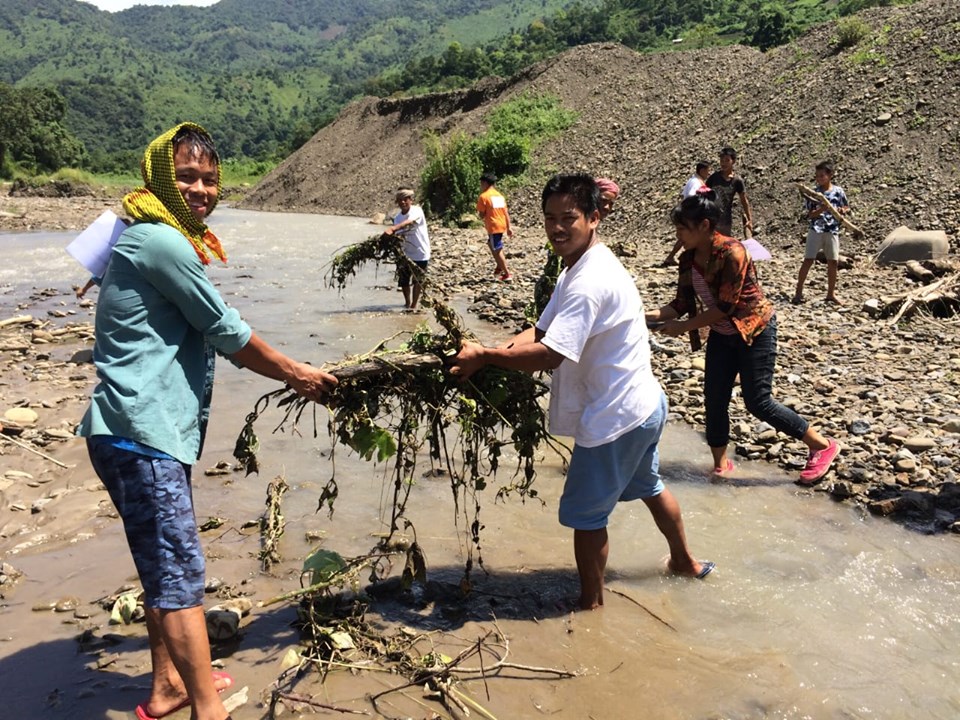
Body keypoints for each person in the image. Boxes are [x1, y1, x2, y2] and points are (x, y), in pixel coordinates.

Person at [78, 122, 338, 720]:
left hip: (136, 431)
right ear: (159, 179)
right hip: (141, 433)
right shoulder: (161, 242)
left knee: (162, 565)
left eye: (209, 179)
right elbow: (225, 330)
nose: (200, 189)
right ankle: (206, 711)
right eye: (186, 177)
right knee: (179, 578)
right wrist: (296, 373)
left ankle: (168, 686)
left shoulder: (147, 234)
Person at [451, 173, 713, 611]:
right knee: (649, 484)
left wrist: (488, 358)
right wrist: (486, 349)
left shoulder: (589, 282)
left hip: (615, 418)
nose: (557, 227)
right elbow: (538, 329)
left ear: (594, 217)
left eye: (568, 218)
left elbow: (550, 354)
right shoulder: (580, 267)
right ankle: (685, 562)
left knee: (586, 517)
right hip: (645, 404)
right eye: (549, 218)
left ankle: (590, 608)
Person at [645, 189, 840, 484]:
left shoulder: (733, 252)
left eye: (683, 228)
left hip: (754, 330)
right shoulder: (688, 259)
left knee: (757, 401)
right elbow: (681, 304)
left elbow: (725, 307)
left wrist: (683, 328)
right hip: (723, 335)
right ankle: (721, 466)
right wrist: (640, 315)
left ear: (705, 226)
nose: (678, 235)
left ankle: (822, 446)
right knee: (714, 399)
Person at [793, 160, 849, 305]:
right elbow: (810, 214)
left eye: (822, 175)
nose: (819, 178)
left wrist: (842, 211)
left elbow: (845, 206)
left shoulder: (838, 191)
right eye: (817, 176)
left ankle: (831, 294)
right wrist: (822, 209)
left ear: (830, 175)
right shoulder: (814, 194)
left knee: (833, 262)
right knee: (808, 260)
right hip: (816, 230)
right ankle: (798, 292)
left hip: (832, 230)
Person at [384, 187, 430, 310]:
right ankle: (407, 303)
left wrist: (394, 228)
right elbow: (399, 235)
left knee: (418, 280)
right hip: (405, 253)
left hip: (420, 252)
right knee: (404, 281)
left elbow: (408, 222)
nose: (403, 202)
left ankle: (414, 304)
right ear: (397, 202)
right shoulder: (398, 217)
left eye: (406, 199)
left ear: (411, 200)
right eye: (400, 200)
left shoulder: (417, 211)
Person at [664, 160, 713, 266]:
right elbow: (691, 196)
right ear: (702, 170)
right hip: (692, 214)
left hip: (690, 212)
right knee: (688, 236)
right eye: (707, 171)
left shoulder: (694, 180)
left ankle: (672, 257)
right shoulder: (695, 182)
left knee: (686, 237)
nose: (708, 173)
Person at [706, 147, 753, 237]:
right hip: (711, 220)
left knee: (723, 247)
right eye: (722, 160)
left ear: (733, 161)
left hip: (725, 222)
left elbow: (744, 200)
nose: (723, 163)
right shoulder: (714, 177)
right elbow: (703, 195)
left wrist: (749, 220)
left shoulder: (737, 181)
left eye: (727, 160)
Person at [476, 171, 513, 280]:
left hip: (493, 225)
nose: (481, 186)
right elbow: (505, 212)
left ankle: (507, 273)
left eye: (481, 184)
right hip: (501, 224)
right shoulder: (499, 196)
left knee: (497, 249)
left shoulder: (484, 196)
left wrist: (481, 214)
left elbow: (481, 214)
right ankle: (499, 265)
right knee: (491, 243)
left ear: (485, 183)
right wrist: (509, 227)